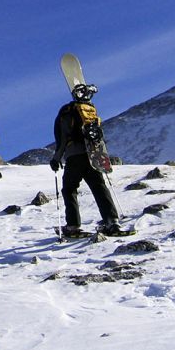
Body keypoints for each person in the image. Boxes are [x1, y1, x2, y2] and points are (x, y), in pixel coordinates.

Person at [50, 83, 123, 236]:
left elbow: (63, 138)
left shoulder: (67, 112)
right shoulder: (90, 110)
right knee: (99, 186)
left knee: (69, 189)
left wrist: (56, 158)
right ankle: (112, 221)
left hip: (74, 156)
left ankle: (73, 226)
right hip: (92, 154)